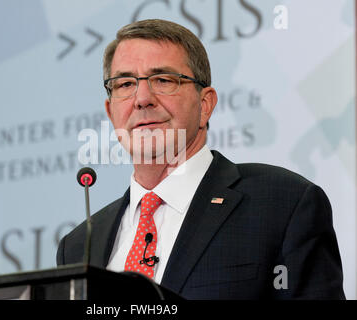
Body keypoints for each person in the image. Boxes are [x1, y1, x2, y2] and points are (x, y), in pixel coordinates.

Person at [56, 19, 345, 299]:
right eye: (125, 84)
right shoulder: (78, 245)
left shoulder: (284, 203)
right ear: (111, 112)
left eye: (163, 79)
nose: (142, 98)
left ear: (205, 105)